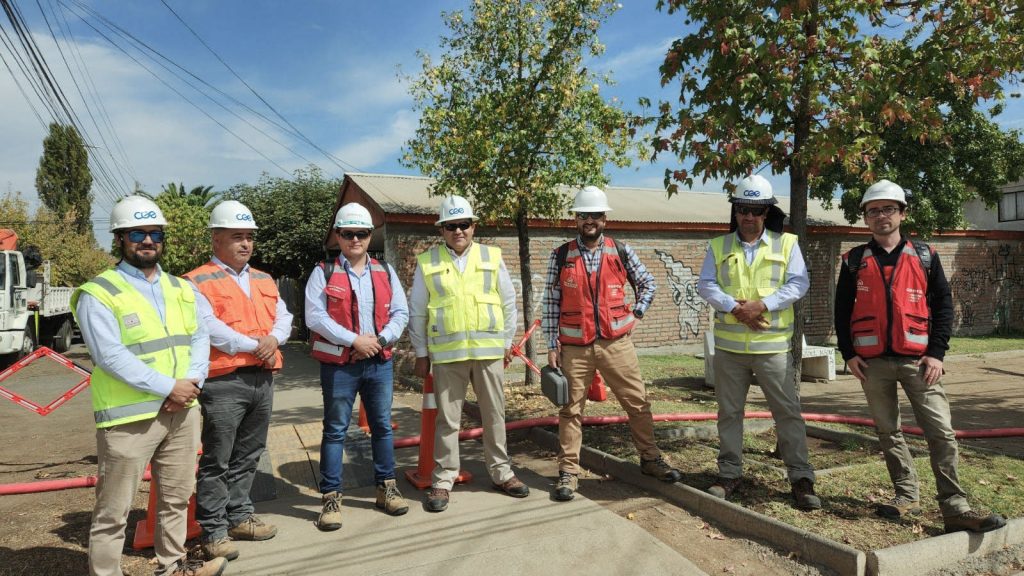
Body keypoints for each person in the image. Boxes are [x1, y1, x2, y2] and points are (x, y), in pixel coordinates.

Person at [834, 179, 1006, 533]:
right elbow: (840, 310)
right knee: (887, 431)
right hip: (872, 363)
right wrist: (848, 354)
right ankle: (906, 495)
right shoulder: (853, 261)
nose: (881, 215)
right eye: (873, 210)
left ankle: (955, 506)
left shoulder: (926, 256)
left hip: (919, 362)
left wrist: (937, 353)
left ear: (902, 213)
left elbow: (943, 305)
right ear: (865, 218)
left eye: (888, 209)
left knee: (941, 432)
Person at [72, 196, 225, 576]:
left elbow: (199, 339)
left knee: (175, 499)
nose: (147, 240)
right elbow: (110, 356)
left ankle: (172, 566)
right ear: (121, 238)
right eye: (137, 233)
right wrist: (168, 388)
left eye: (154, 233)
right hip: (130, 420)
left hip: (182, 411)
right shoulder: (99, 293)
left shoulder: (181, 288)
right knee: (113, 511)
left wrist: (190, 385)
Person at [542, 185, 682, 502]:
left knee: (638, 403)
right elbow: (551, 302)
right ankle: (568, 473)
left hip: (617, 344)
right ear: (576, 219)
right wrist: (552, 343)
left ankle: (650, 460)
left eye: (595, 215)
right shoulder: (561, 255)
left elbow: (648, 283)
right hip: (574, 348)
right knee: (570, 411)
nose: (589, 220)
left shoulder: (620, 250)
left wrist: (637, 312)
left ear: (605, 218)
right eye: (583, 215)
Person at [696, 174, 820, 510]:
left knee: (787, 413)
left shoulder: (787, 244)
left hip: (773, 349)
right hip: (730, 351)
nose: (749, 216)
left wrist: (761, 306)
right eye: (742, 209)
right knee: (729, 413)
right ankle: (729, 473)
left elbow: (799, 284)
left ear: (767, 213)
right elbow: (705, 285)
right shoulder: (718, 246)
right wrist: (736, 308)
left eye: (756, 210)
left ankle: (801, 478)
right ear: (735, 211)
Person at [184, 201, 293, 561]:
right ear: (216, 239)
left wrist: (273, 339)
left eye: (249, 237)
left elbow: (284, 316)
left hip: (262, 378)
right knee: (218, 459)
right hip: (225, 382)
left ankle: (240, 516)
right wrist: (257, 345)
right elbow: (209, 328)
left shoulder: (263, 278)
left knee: (249, 454)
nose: (245, 244)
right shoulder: (197, 280)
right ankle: (213, 530)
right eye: (237, 237)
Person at [409, 195, 528, 512]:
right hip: (448, 357)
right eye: (451, 226)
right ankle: (444, 480)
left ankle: (502, 473)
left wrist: (506, 344)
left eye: (464, 224)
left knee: (494, 416)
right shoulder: (428, 262)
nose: (458, 231)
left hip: (489, 353)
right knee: (447, 422)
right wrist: (421, 353)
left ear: (473, 226)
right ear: (442, 230)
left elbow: (508, 303)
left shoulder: (492, 257)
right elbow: (418, 311)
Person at [305, 202, 410, 530]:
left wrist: (378, 340)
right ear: (337, 235)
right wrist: (354, 341)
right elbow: (315, 317)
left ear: (370, 236)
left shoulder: (385, 270)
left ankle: (386, 487)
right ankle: (331, 497)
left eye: (361, 233)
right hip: (340, 366)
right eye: (348, 233)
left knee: (381, 426)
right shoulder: (323, 271)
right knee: (335, 430)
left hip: (378, 362)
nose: (354, 239)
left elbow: (400, 313)